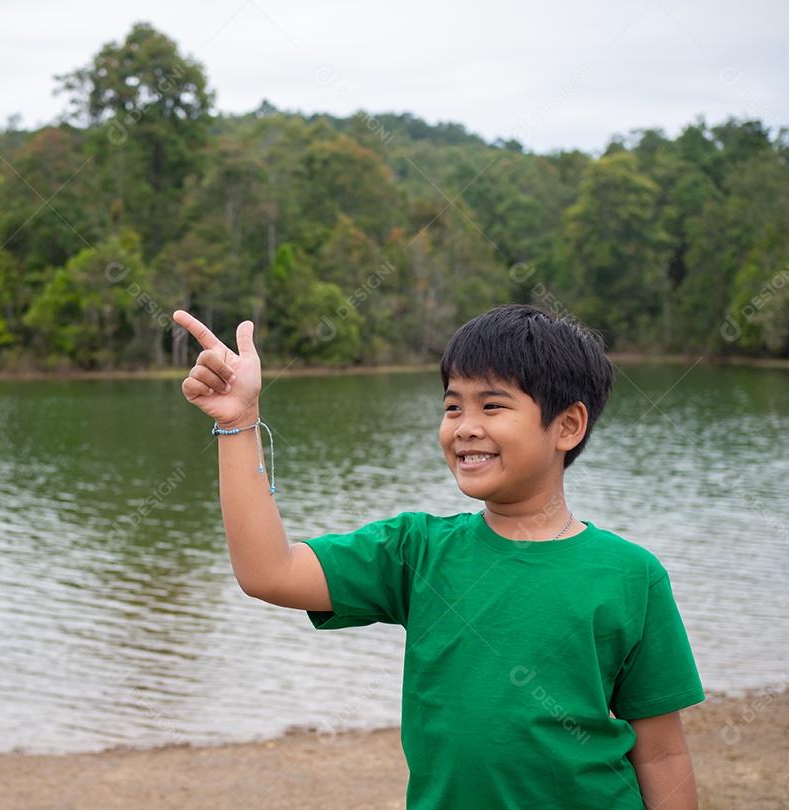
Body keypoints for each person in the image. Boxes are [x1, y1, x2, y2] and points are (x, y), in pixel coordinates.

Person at [172, 304, 704, 809]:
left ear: (567, 426)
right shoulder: (416, 551)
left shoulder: (631, 575)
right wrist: (238, 423)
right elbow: (270, 572)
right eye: (453, 406)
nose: (465, 426)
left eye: (492, 405)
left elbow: (661, 751)